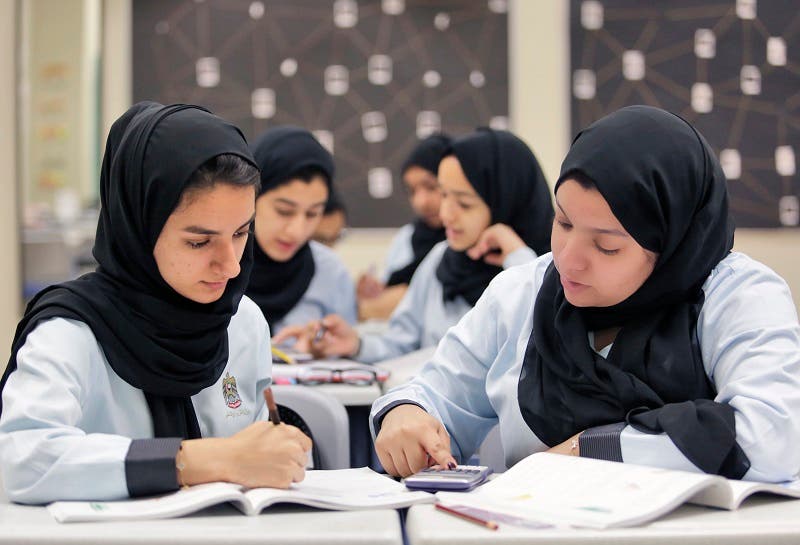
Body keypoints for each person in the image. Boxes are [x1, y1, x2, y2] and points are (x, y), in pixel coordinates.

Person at [370, 105, 800, 483]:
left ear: (673, 245)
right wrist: (406, 414)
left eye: (607, 245)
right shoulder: (524, 292)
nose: (568, 260)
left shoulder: (736, 296)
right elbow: (437, 391)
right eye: (563, 222)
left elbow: (773, 433)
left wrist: (593, 449)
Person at [0, 102, 311, 504]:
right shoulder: (71, 332)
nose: (232, 266)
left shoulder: (242, 321)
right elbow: (24, 460)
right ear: (138, 227)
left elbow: (251, 465)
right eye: (199, 242)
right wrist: (195, 460)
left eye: (241, 233)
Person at [275, 128, 554, 363]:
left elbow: (541, 340)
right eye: (443, 195)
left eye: (464, 203)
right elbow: (401, 343)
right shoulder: (440, 260)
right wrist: (355, 344)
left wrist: (519, 259)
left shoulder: (549, 270)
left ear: (506, 201)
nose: (445, 213)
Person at [247, 126, 357, 335]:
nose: (297, 232)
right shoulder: (219, 264)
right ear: (251, 198)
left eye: (312, 213)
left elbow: (344, 358)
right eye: (284, 211)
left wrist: (324, 349)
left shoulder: (331, 273)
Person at [357, 134, 451, 320]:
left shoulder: (474, 242)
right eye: (412, 191)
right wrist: (376, 290)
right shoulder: (407, 237)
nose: (421, 202)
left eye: (431, 187)